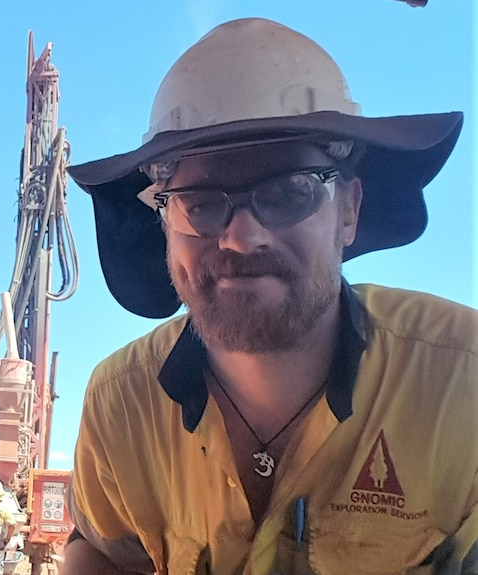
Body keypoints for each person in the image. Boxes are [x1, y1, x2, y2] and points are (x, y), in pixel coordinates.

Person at [61, 17, 476, 575]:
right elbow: (97, 552)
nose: (240, 236)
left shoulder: (463, 387)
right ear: (164, 223)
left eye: (287, 192)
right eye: (199, 202)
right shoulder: (121, 403)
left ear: (348, 210)